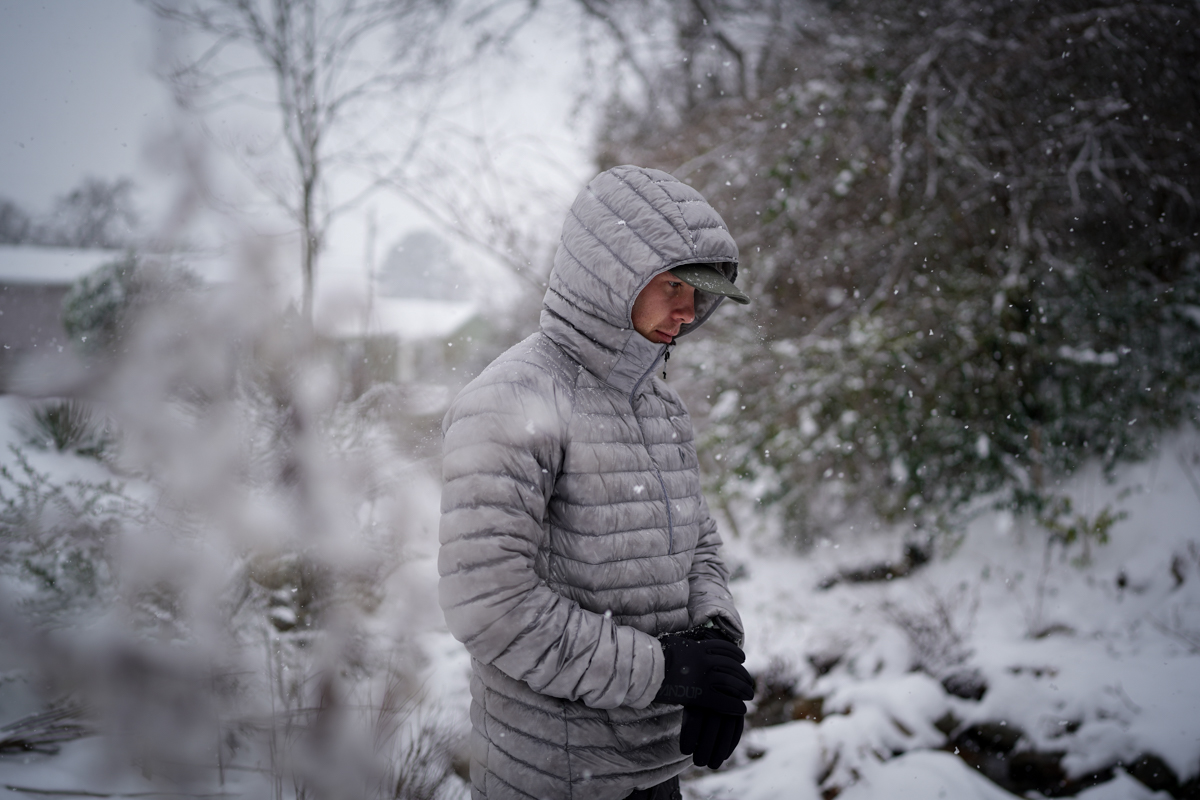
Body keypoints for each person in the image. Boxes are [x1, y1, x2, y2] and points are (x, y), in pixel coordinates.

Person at [438, 165, 754, 800]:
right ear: (613, 277)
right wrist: (664, 673)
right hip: (552, 777)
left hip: (658, 770)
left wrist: (715, 640)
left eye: (700, 292)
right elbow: (489, 604)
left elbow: (699, 544)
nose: (689, 312)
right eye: (672, 285)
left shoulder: (661, 407)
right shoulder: (512, 396)